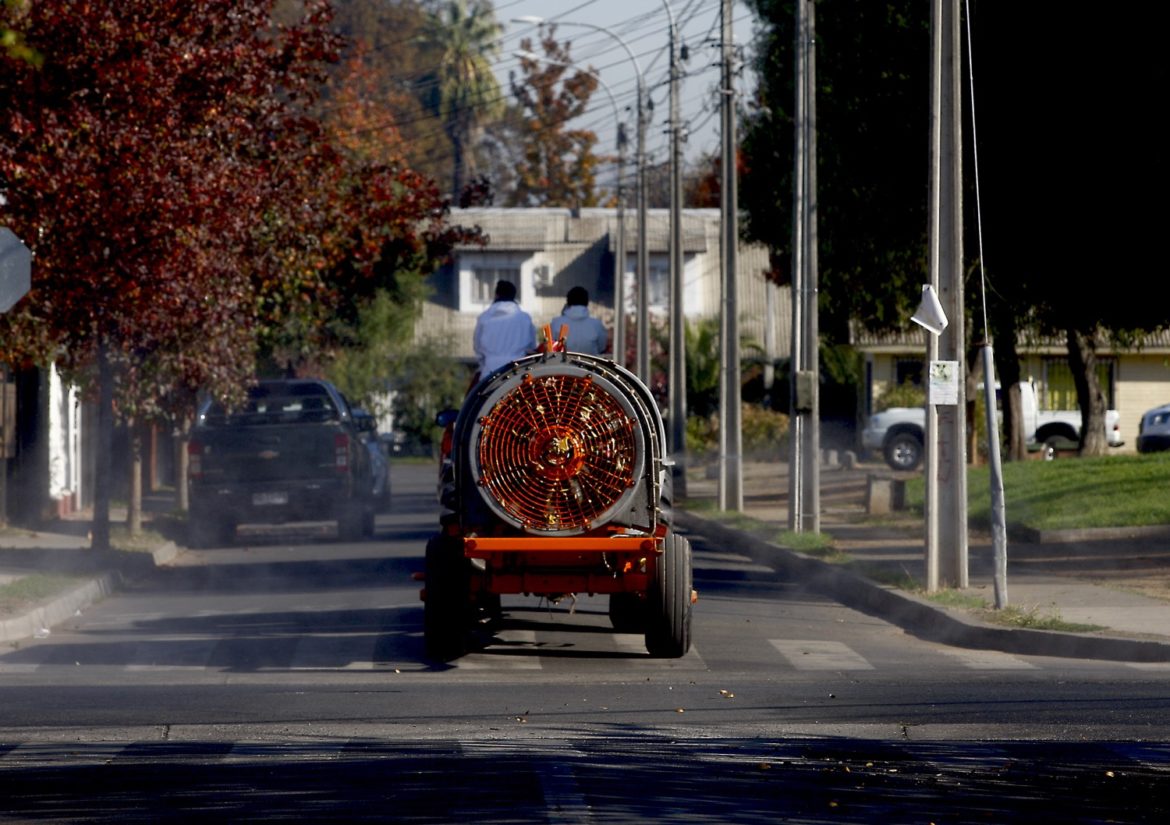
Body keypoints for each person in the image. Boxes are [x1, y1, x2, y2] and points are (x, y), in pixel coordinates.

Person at [473, 280, 537, 376]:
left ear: (496, 294)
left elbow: (478, 347)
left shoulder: (484, 317)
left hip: (490, 371)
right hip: (517, 371)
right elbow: (532, 346)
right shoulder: (524, 318)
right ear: (513, 296)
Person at [550, 286, 608, 355]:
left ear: (568, 302)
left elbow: (550, 349)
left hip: (562, 365)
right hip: (590, 364)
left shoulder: (556, 323)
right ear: (587, 302)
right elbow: (602, 348)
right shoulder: (597, 325)